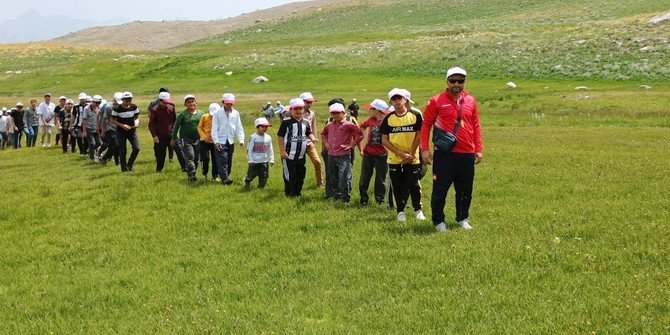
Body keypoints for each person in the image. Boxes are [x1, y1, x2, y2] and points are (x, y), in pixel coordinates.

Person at [421, 67, 483, 233]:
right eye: (453, 81)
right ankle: (438, 221)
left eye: (460, 81)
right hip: (444, 154)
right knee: (440, 190)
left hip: (467, 153)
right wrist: (424, 149)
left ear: (464, 82)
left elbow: (475, 125)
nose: (456, 84)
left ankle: (462, 218)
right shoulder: (436, 101)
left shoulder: (470, 100)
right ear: (447, 81)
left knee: (465, 190)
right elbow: (426, 125)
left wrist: (479, 148)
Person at [381, 88, 426, 222]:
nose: (397, 101)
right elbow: (384, 140)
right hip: (395, 158)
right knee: (397, 185)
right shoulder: (388, 118)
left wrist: (411, 153)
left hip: (413, 158)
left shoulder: (415, 114)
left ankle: (418, 210)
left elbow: (419, 134)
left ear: (405, 99)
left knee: (414, 185)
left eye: (399, 98)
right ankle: (400, 211)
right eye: (394, 99)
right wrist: (400, 153)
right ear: (391, 102)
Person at [321, 103, 363, 204]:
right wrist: (326, 143)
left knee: (344, 178)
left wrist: (352, 144)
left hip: (343, 155)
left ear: (343, 113)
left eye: (337, 113)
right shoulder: (329, 125)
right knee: (333, 177)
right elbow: (323, 133)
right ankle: (336, 197)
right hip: (331, 155)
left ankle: (345, 199)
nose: (335, 115)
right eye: (333, 113)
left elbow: (360, 134)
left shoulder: (348, 124)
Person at [277, 98, 317, 197]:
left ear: (303, 109)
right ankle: (289, 194)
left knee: (301, 175)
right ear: (290, 110)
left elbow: (309, 133)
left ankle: (297, 193)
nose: (298, 111)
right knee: (290, 176)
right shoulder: (286, 123)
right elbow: (280, 136)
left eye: (300, 109)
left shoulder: (306, 122)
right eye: (295, 109)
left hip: (301, 155)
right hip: (288, 155)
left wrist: (312, 138)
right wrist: (282, 151)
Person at [358, 99, 391, 206]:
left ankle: (380, 199)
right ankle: (363, 199)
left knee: (380, 179)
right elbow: (362, 126)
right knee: (364, 178)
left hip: (382, 155)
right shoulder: (370, 120)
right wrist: (365, 136)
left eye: (371, 109)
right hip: (368, 154)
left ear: (376, 110)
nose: (369, 111)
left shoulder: (387, 121)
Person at [211, 93, 245, 185]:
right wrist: (216, 141)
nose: (229, 105)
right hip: (220, 141)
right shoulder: (217, 113)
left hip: (230, 140)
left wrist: (241, 140)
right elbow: (214, 128)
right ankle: (225, 178)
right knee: (222, 159)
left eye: (231, 103)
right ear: (223, 102)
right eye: (227, 103)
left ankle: (226, 176)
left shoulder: (235, 113)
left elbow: (239, 127)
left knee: (229, 160)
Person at [171, 94, 203, 182]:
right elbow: (176, 127)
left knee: (196, 158)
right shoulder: (183, 114)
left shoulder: (201, 113)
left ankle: (193, 172)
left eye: (193, 101)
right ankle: (191, 175)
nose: (191, 103)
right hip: (186, 139)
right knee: (190, 156)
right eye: (188, 102)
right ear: (185, 104)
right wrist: (173, 139)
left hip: (198, 139)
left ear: (196, 103)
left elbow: (204, 125)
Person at [111, 92, 140, 172]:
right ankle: (124, 169)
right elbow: (112, 120)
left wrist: (137, 122)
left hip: (132, 130)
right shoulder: (117, 109)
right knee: (123, 149)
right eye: (126, 100)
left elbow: (136, 117)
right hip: (121, 131)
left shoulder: (134, 107)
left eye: (130, 100)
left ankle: (130, 164)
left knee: (136, 148)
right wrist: (122, 125)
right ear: (122, 100)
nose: (128, 102)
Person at [147, 87, 178, 165]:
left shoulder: (171, 104)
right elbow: (150, 115)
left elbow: (173, 117)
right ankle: (160, 159)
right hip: (159, 129)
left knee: (169, 144)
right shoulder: (154, 103)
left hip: (168, 129)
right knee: (159, 146)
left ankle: (168, 158)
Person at [299, 92, 324, 188]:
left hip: (309, 142)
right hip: (297, 143)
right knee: (299, 165)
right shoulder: (293, 112)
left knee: (317, 162)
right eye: (307, 102)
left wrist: (314, 138)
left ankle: (320, 183)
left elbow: (313, 126)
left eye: (311, 102)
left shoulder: (312, 113)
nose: (309, 104)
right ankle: (297, 184)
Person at [244, 117, 275, 188]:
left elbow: (270, 149)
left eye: (266, 126)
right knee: (251, 176)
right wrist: (250, 159)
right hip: (254, 161)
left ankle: (260, 188)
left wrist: (272, 159)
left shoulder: (268, 137)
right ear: (257, 127)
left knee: (264, 176)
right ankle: (247, 181)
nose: (265, 128)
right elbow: (249, 149)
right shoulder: (253, 137)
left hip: (264, 161)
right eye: (262, 126)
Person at [198, 103, 220, 181]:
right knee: (205, 158)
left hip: (215, 142)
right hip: (204, 142)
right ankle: (204, 174)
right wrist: (204, 137)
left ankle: (215, 176)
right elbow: (199, 128)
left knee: (215, 159)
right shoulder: (204, 117)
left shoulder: (221, 118)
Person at [100, 93, 122, 165]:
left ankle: (104, 158)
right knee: (116, 145)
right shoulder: (108, 107)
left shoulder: (122, 106)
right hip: (110, 128)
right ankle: (117, 162)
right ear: (114, 100)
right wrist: (103, 131)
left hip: (120, 129)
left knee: (115, 146)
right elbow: (104, 119)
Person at [82, 95, 103, 161]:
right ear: (92, 102)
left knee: (100, 143)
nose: (98, 104)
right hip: (89, 128)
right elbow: (84, 120)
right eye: (96, 102)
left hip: (96, 128)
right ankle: (92, 157)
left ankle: (91, 149)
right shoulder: (86, 108)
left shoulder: (99, 108)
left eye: (99, 103)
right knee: (92, 143)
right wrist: (84, 131)